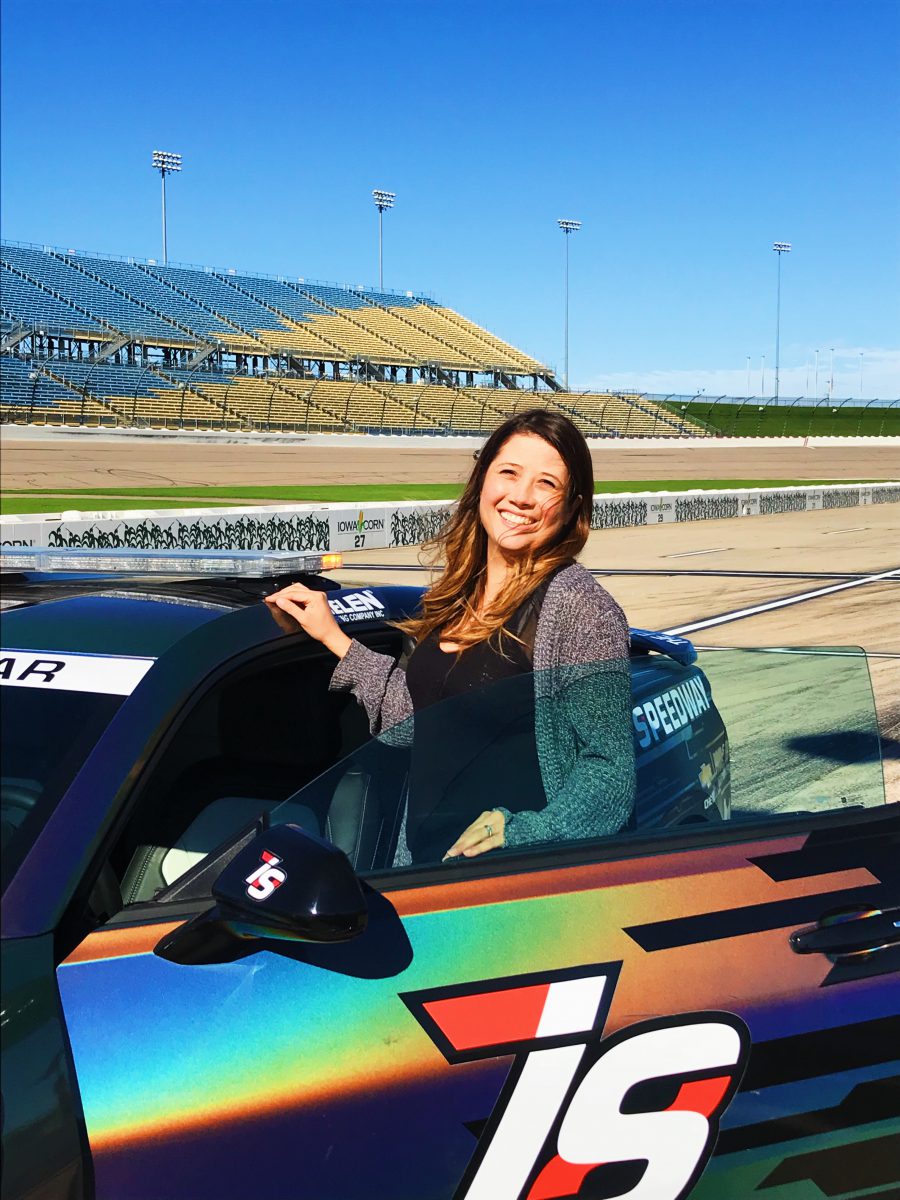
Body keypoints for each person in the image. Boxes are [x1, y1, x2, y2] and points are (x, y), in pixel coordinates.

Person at [265, 408, 634, 865]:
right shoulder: (458, 595)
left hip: (513, 881)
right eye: (509, 473)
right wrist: (334, 638)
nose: (520, 496)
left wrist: (523, 833)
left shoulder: (580, 610)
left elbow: (609, 772)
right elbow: (420, 719)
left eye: (546, 484)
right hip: (426, 870)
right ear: (482, 481)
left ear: (573, 506)